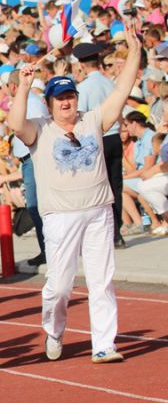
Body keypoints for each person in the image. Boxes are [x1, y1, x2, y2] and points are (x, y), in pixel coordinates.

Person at [8, 25, 141, 364]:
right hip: (61, 217)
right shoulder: (40, 128)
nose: (66, 102)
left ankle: (104, 344)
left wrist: (135, 53)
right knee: (60, 286)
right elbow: (15, 124)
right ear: (49, 104)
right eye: (60, 98)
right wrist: (24, 87)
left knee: (101, 281)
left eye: (70, 96)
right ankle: (54, 331)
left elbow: (122, 91)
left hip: (98, 211)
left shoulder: (92, 120)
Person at [75, 42, 126, 248]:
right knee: (116, 186)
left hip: (98, 138)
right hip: (114, 137)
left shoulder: (84, 87)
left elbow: (81, 117)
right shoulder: (109, 83)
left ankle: (108, 232)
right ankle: (117, 232)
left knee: (100, 187)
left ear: (82, 65)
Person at [4, 70, 50, 266]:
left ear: (13, 86)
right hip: (30, 158)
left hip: (34, 158)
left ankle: (48, 250)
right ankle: (47, 249)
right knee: (35, 205)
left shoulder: (30, 103)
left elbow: (39, 131)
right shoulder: (28, 101)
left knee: (35, 205)